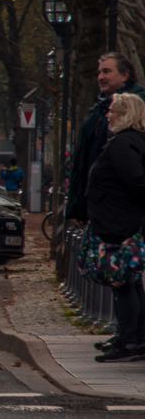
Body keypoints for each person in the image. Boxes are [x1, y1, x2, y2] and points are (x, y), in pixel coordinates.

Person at [84, 92, 145, 362]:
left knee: (123, 281)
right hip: (119, 219)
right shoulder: (130, 142)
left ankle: (129, 341)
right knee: (128, 281)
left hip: (118, 223)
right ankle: (132, 338)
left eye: (113, 111)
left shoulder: (123, 144)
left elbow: (136, 181)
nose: (107, 115)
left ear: (126, 115)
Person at [67, 52, 145, 221]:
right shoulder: (97, 110)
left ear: (124, 75)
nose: (101, 77)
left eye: (107, 71)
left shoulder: (137, 106)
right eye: (99, 72)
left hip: (120, 213)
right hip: (100, 209)